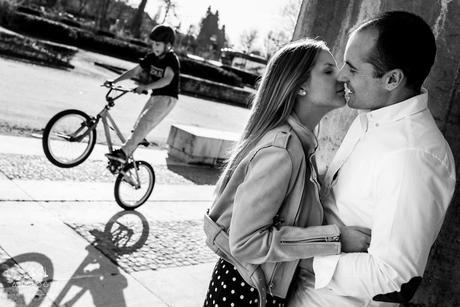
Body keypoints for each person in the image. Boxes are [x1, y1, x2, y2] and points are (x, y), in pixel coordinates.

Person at [287, 11, 456, 307]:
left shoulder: (413, 156)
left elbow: (395, 276)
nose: (341, 75)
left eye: (352, 69)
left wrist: (298, 257)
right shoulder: (371, 118)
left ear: (392, 79)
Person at [203, 39, 371, 307]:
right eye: (328, 71)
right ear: (299, 86)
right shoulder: (281, 151)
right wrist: (336, 238)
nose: (341, 76)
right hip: (247, 293)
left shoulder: (301, 145)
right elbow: (245, 242)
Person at [105, 24, 180, 163]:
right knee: (138, 126)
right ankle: (125, 161)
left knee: (144, 123)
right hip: (155, 96)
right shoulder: (152, 57)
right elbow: (134, 71)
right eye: (153, 44)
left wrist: (145, 86)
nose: (154, 47)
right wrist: (115, 80)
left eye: (158, 44)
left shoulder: (171, 59)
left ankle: (123, 153)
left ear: (168, 45)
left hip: (168, 98)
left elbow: (167, 79)